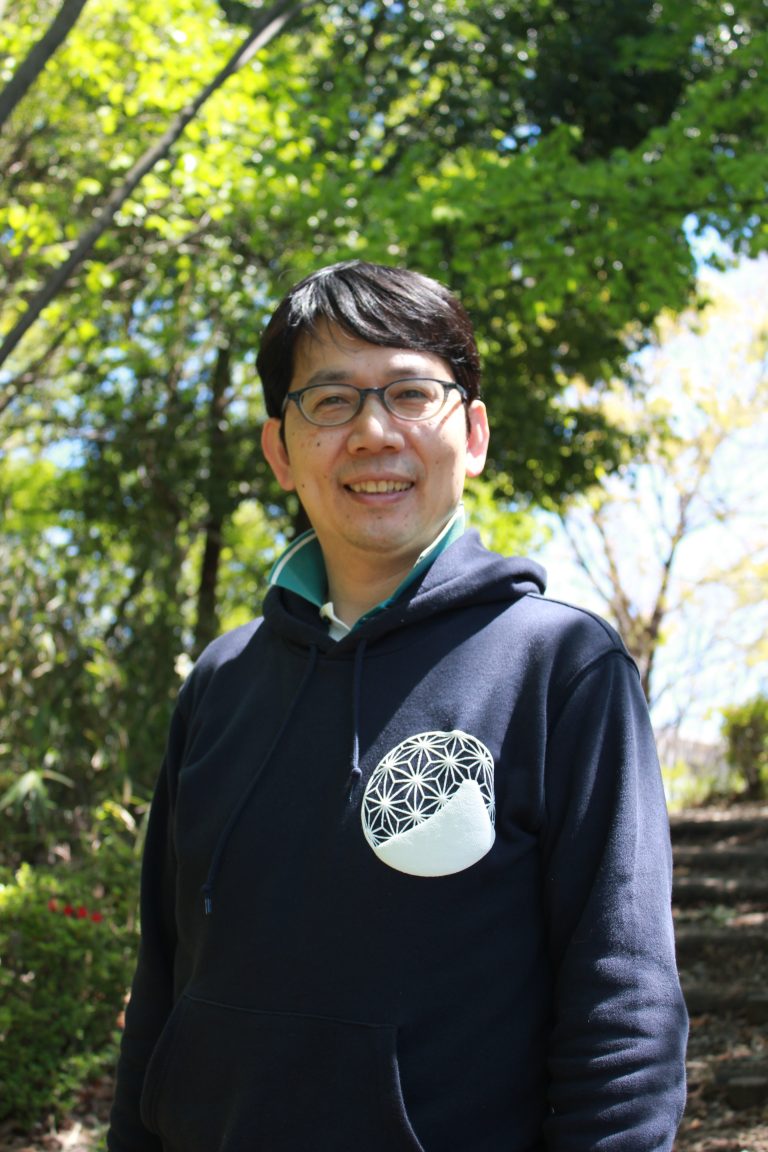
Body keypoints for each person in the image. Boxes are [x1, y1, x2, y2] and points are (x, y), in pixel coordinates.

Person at [107, 260, 688, 1151]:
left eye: (412, 394)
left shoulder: (561, 670)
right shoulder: (221, 681)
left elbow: (624, 1006)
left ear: (474, 435)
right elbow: (161, 983)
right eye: (331, 401)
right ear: (280, 451)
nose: (374, 433)